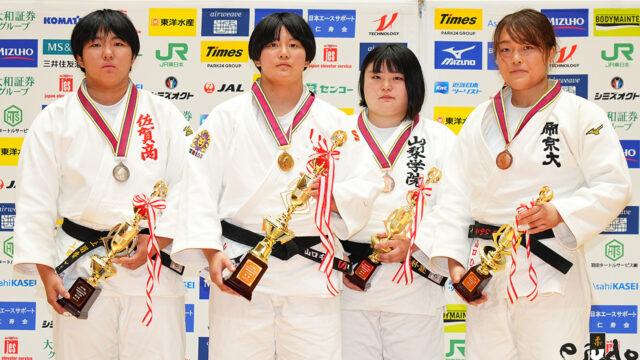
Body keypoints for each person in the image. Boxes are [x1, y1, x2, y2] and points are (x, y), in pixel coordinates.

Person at [418, 9, 632, 360]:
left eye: (528, 47)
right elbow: (455, 194)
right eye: (504, 50)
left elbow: (614, 185)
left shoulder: (581, 115)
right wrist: (456, 264)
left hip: (549, 269)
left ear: (552, 53)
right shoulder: (479, 119)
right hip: (486, 270)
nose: (515, 58)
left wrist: (560, 212)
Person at [171, 12, 382, 360]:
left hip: (312, 273)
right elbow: (198, 188)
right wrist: (211, 251)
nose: (283, 52)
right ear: (256, 57)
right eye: (272, 45)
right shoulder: (226, 117)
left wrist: (335, 199)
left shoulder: (336, 123)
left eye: (294, 45)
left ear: (308, 58)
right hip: (240, 266)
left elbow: (365, 184)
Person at [13, 9, 189, 360]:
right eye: (95, 45)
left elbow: (189, 185)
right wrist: (47, 274)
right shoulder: (53, 121)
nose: (108, 53)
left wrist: (160, 238)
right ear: (79, 57)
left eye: (119, 44)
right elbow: (35, 202)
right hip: (80, 272)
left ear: (134, 56)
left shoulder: (166, 116)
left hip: (151, 267)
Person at [339, 44, 456, 360]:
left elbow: (456, 207)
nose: (386, 86)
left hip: (414, 283)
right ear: (363, 82)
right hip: (348, 281)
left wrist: (416, 242)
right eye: (376, 76)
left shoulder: (441, 139)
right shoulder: (338, 134)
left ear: (413, 84)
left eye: (397, 78)